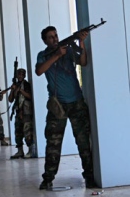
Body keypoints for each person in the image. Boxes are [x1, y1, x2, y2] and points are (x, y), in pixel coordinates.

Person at [35, 26, 96, 190]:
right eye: (50, 37)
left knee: (83, 142)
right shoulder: (43, 55)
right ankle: (48, 179)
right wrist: (56, 55)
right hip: (58, 106)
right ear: (45, 41)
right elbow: (39, 71)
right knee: (53, 144)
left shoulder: (68, 51)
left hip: (76, 102)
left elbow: (83, 62)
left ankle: (89, 176)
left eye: (55, 35)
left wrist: (81, 42)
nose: (54, 39)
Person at [8, 68, 36, 159]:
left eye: (21, 75)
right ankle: (20, 151)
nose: (20, 76)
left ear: (24, 75)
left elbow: (29, 96)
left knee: (27, 132)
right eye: (18, 75)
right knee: (18, 132)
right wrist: (13, 90)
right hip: (18, 112)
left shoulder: (26, 85)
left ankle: (30, 150)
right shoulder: (15, 85)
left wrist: (20, 90)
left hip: (26, 112)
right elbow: (10, 99)